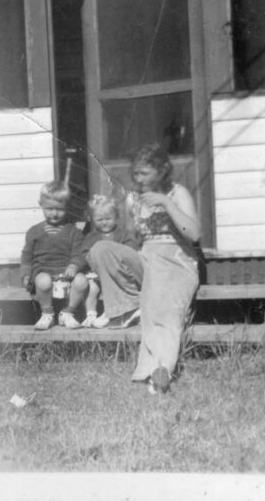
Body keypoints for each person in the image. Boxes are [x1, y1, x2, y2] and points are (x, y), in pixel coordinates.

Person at [87, 144, 202, 394]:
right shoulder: (132, 199)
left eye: (145, 173)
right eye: (136, 173)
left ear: (162, 171)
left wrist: (165, 204)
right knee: (101, 249)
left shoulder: (177, 193)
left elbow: (193, 234)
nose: (138, 179)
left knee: (163, 309)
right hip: (148, 257)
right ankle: (128, 307)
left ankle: (160, 368)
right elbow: (133, 239)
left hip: (177, 259)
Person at [20, 181, 89, 330]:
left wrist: (74, 265)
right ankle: (47, 313)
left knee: (82, 281)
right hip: (43, 272)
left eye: (60, 209)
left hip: (66, 274)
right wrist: (25, 275)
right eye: (49, 209)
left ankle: (67, 313)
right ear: (41, 205)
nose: (54, 213)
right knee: (43, 281)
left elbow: (80, 253)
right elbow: (26, 257)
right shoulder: (34, 232)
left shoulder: (73, 232)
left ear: (67, 207)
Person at [79, 194, 142, 328]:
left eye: (108, 218)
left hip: (120, 273)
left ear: (117, 216)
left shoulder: (123, 233)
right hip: (97, 274)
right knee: (92, 288)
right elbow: (84, 254)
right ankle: (91, 314)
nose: (104, 222)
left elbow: (130, 252)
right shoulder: (90, 237)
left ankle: (116, 311)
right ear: (91, 219)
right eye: (99, 219)